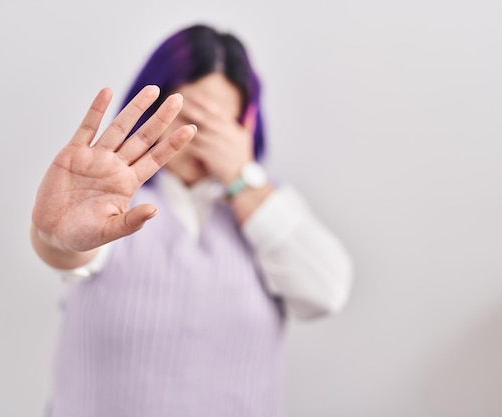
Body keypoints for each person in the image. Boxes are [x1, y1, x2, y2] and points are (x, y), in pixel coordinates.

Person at [31, 23, 354, 417]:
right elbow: (68, 251)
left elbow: (326, 293)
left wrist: (243, 178)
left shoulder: (267, 206)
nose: (201, 138)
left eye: (221, 123)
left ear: (246, 124)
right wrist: (54, 235)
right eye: (190, 117)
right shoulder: (113, 204)